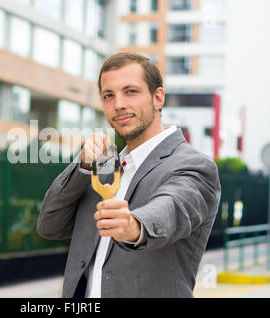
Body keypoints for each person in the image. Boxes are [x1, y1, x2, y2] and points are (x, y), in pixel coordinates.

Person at [37, 52, 221, 298]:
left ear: (158, 98)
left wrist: (135, 226)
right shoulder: (102, 169)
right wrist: (82, 166)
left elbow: (172, 207)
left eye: (130, 91)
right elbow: (49, 226)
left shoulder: (194, 165)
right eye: (108, 95)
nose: (118, 104)